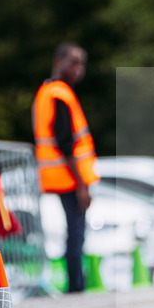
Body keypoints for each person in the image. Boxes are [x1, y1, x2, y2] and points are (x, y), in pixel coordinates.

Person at [32, 43, 98, 293]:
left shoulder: (46, 91)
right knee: (76, 232)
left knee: (74, 231)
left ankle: (75, 283)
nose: (78, 69)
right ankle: (76, 286)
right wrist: (82, 184)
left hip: (60, 176)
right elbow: (65, 142)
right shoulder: (59, 93)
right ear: (58, 60)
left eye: (81, 63)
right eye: (73, 62)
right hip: (69, 177)